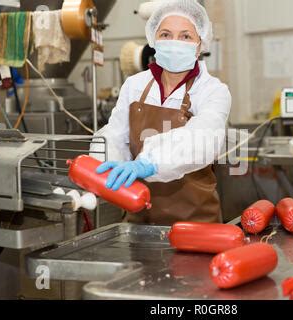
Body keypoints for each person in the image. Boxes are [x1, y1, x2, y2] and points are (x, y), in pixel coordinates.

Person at [90, 0, 231, 225]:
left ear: (199, 44)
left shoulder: (212, 91)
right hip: (139, 220)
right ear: (153, 39)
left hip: (196, 224)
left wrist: (148, 163)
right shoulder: (134, 85)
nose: (174, 42)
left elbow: (203, 138)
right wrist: (98, 169)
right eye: (166, 34)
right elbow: (115, 136)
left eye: (185, 36)